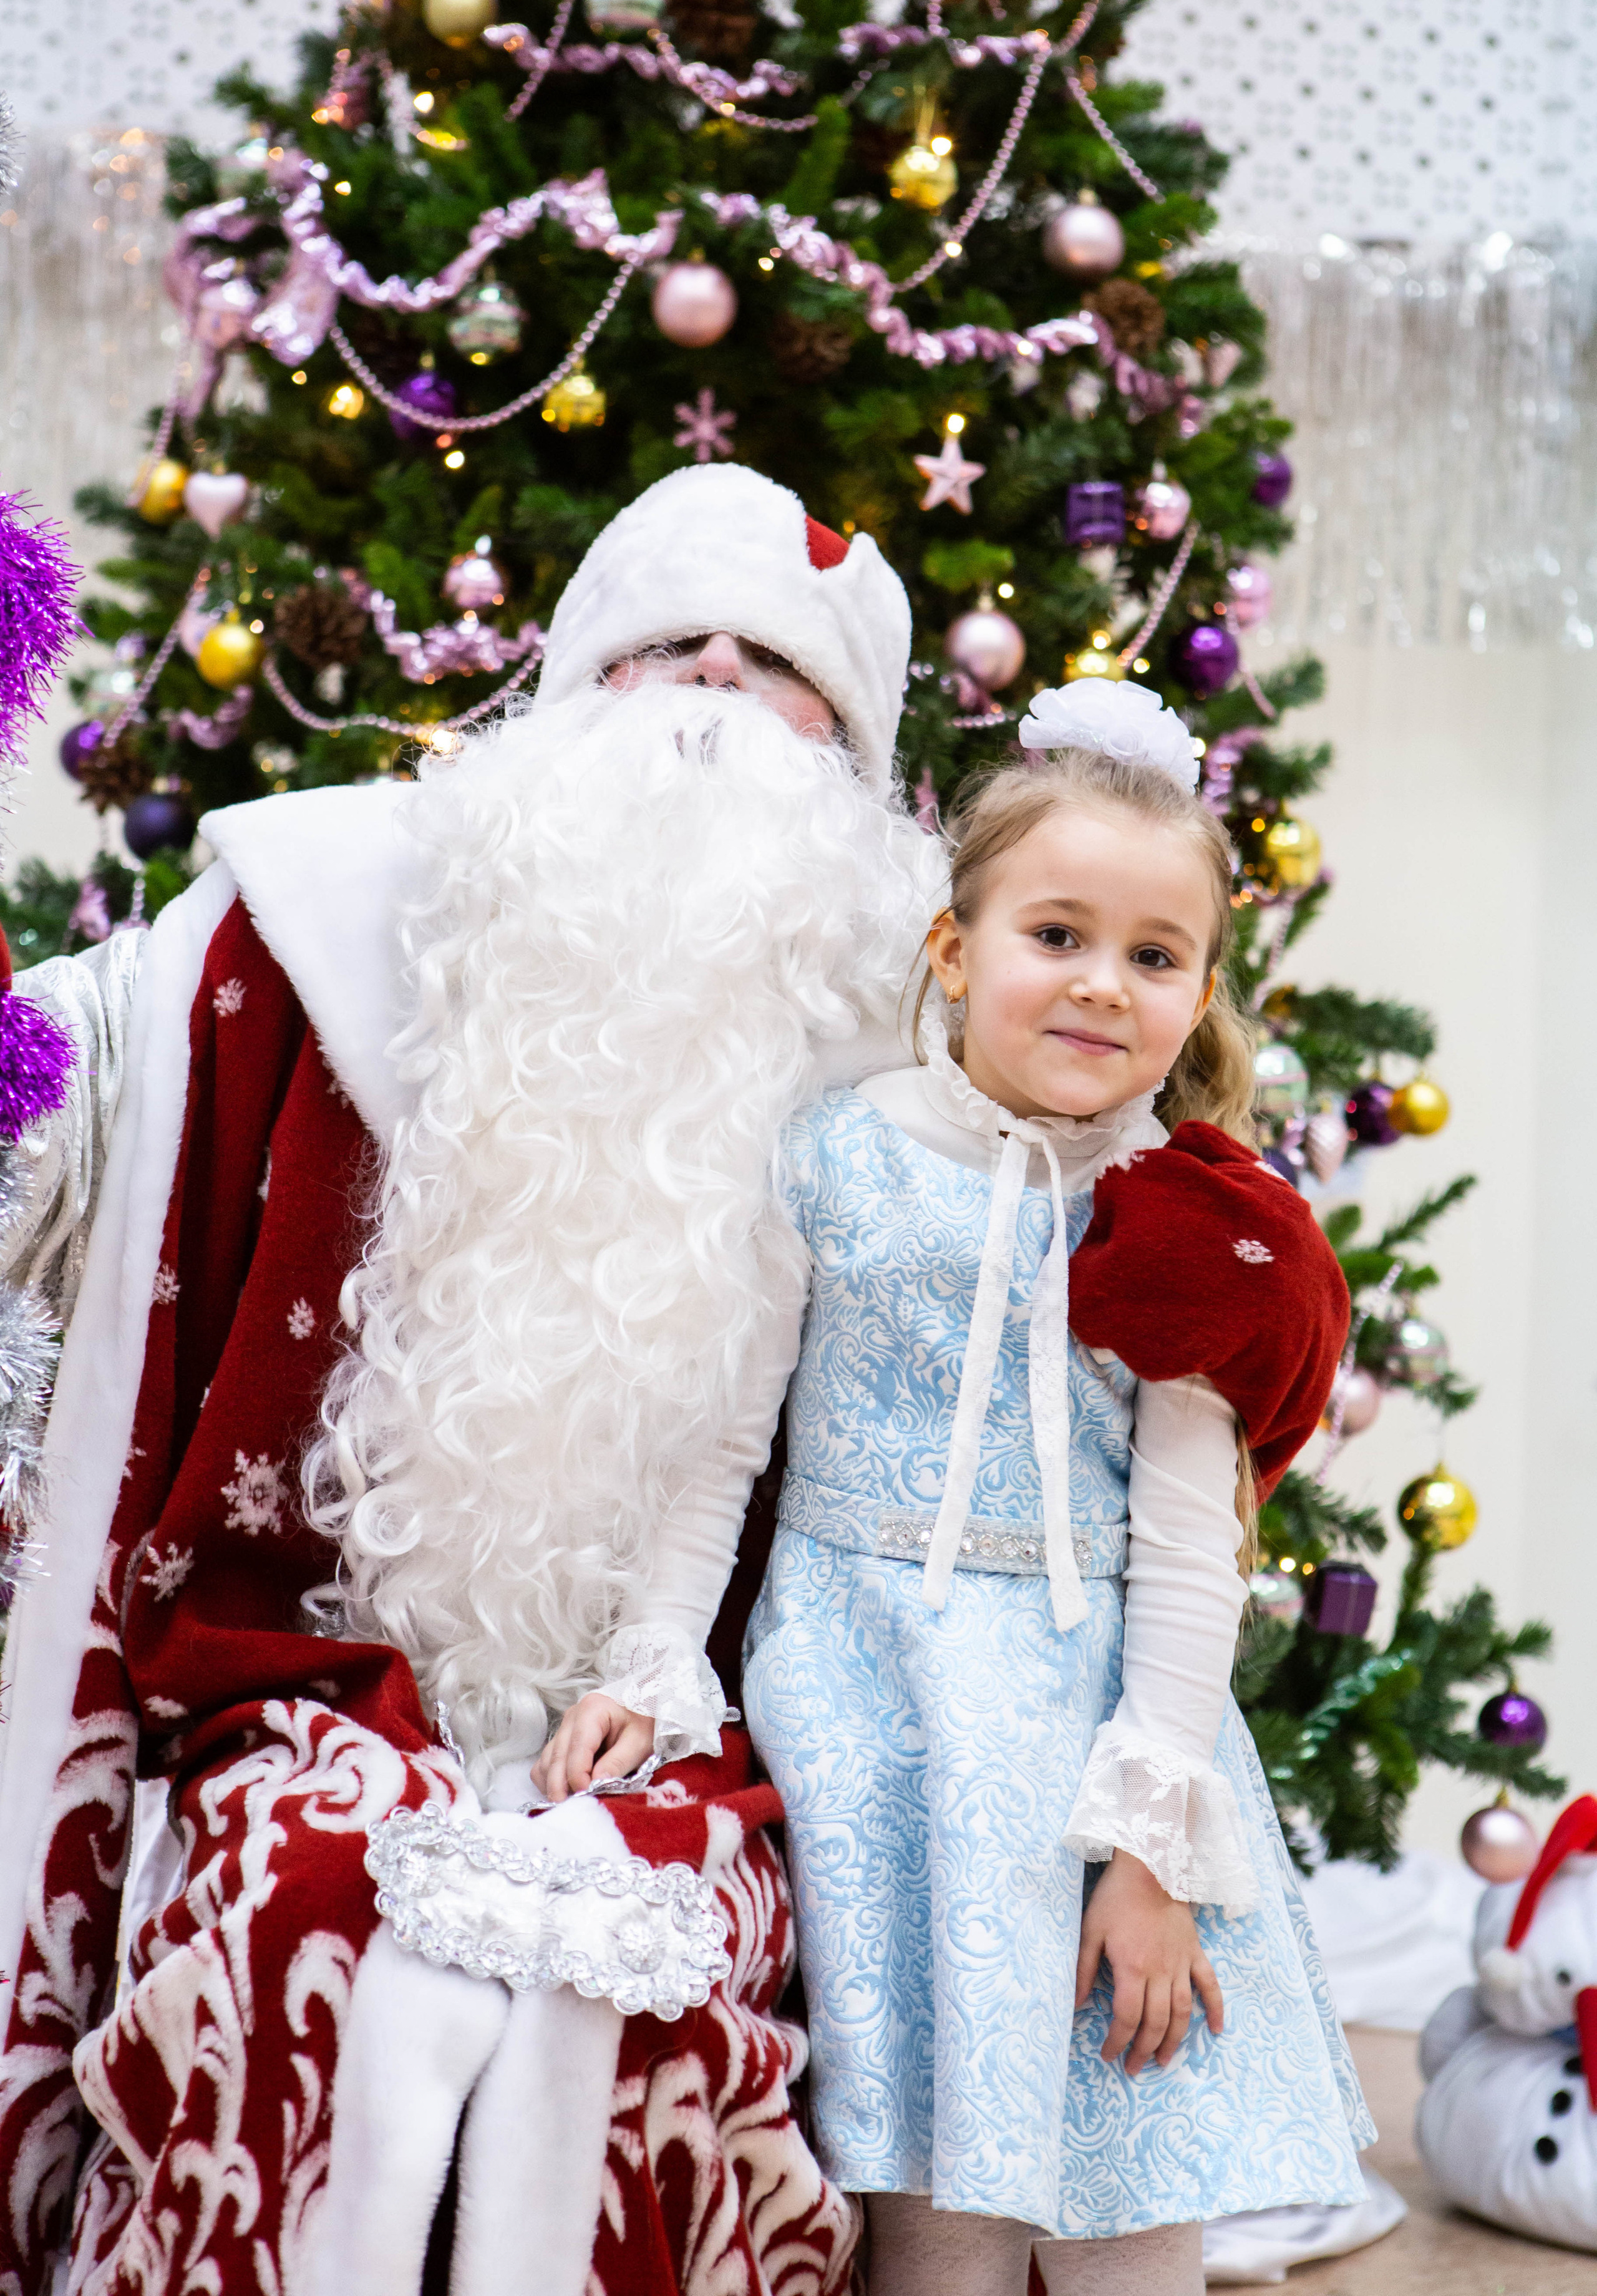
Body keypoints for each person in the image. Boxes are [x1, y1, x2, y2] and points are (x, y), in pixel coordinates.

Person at [0, 464, 941, 2296]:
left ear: (851, 746)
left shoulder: (907, 1037)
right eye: (673, 643)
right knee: (303, 1915)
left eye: (776, 665)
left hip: (707, 1725)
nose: (714, 694)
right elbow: (75, 1090)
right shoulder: (327, 911)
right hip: (309, 1678)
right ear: (577, 680)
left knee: (650, 1994)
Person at [730, 686, 1374, 2294]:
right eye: (1059, 934)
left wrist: (1151, 1856)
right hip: (869, 1709)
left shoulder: (1183, 1219)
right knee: (930, 2194)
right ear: (958, 950)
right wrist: (665, 1650)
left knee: (1126, 2142)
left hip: (1099, 1726)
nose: (1102, 984)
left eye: (1156, 957)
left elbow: (1186, 1553)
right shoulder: (830, 1156)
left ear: (1202, 993)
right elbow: (721, 1444)